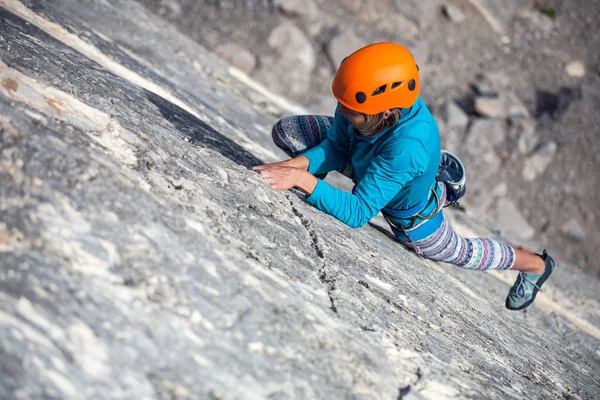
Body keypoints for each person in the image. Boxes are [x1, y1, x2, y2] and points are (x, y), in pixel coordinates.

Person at [252, 42, 554, 311]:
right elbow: (336, 145)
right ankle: (429, 172)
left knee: (463, 252)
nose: (341, 111)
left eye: (351, 109)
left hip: (410, 215)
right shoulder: (361, 101)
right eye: (343, 104)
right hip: (371, 156)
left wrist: (302, 180)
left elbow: (358, 212)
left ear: (384, 114)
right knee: (291, 133)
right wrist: (295, 167)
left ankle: (535, 265)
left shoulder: (407, 145)